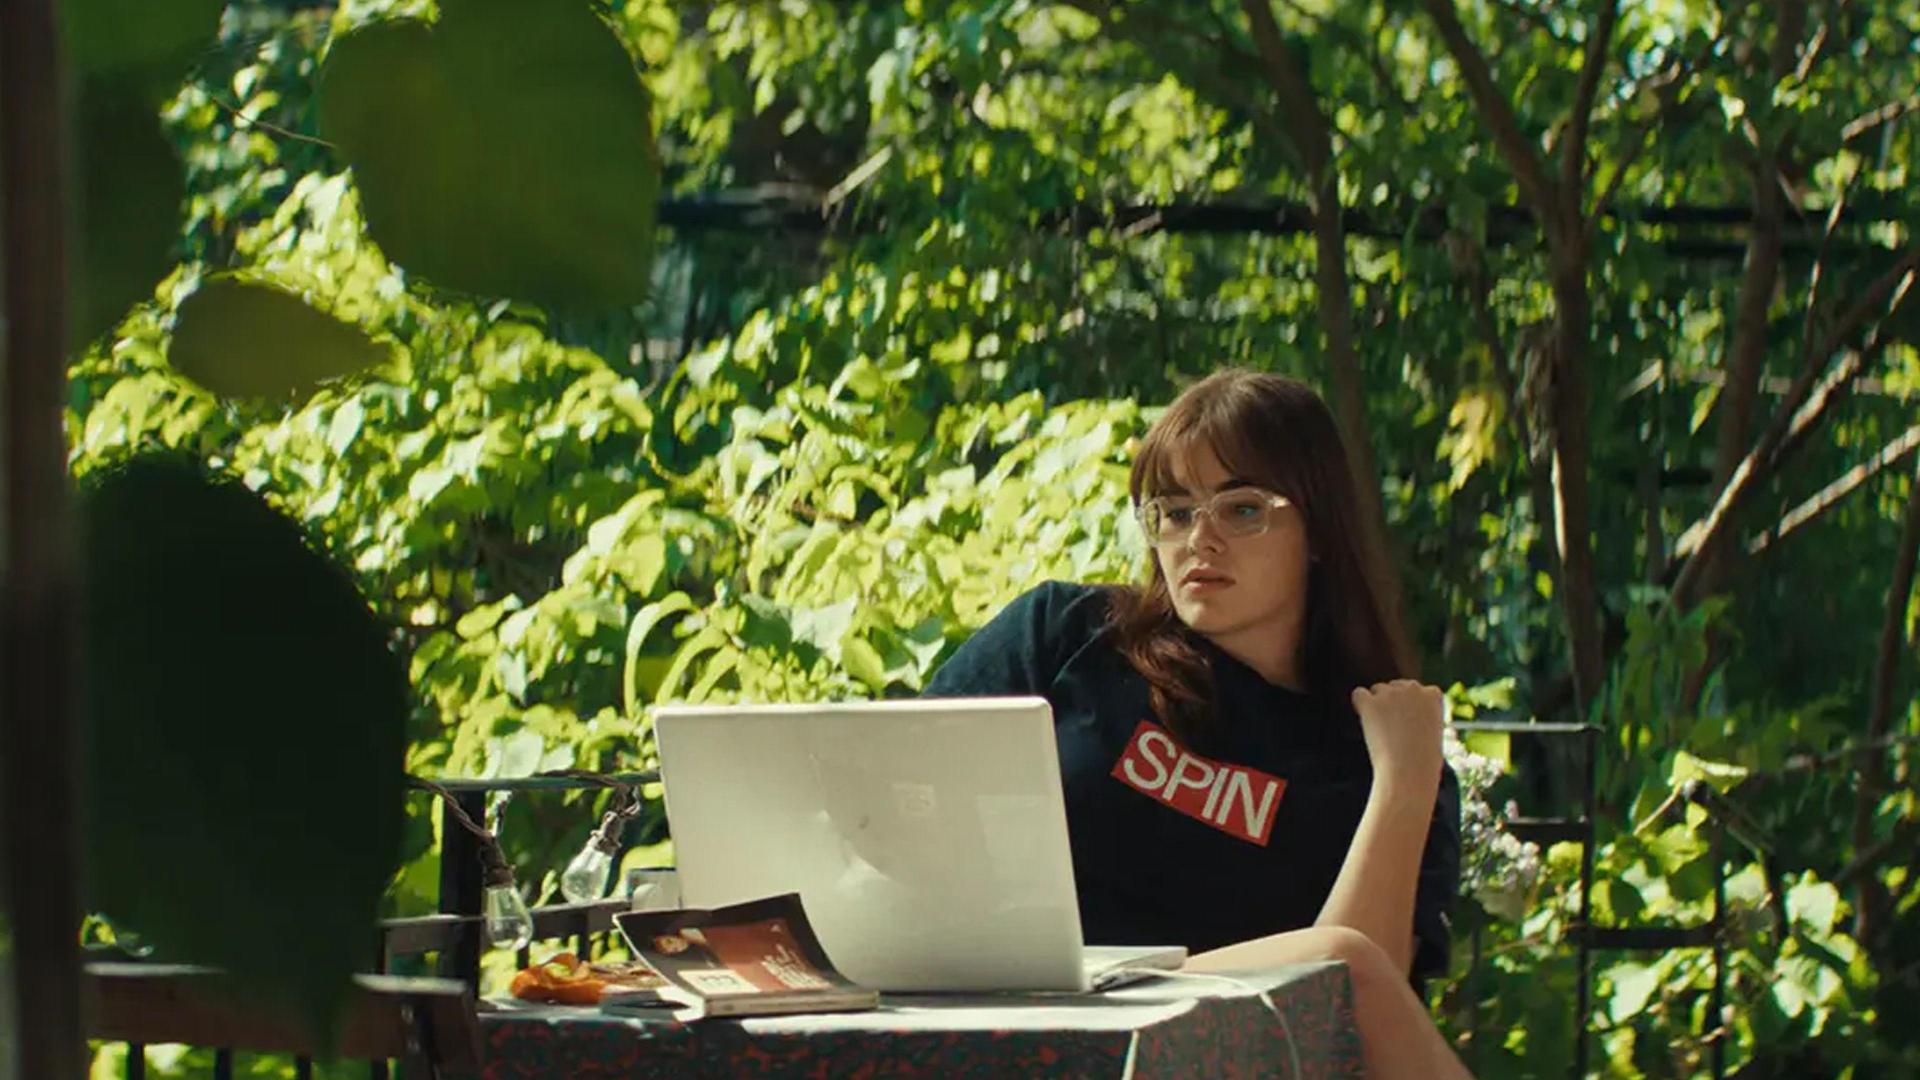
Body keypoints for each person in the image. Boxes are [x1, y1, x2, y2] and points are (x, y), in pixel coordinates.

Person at [924, 369, 1472, 1078]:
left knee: (1341, 959)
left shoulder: (1372, 754)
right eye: (1176, 512)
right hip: (1019, 1010)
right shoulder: (1065, 636)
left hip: (1219, 1050)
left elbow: (1351, 1006)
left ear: (1319, 531)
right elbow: (888, 782)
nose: (1199, 540)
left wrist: (1402, 783)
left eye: (1242, 509)